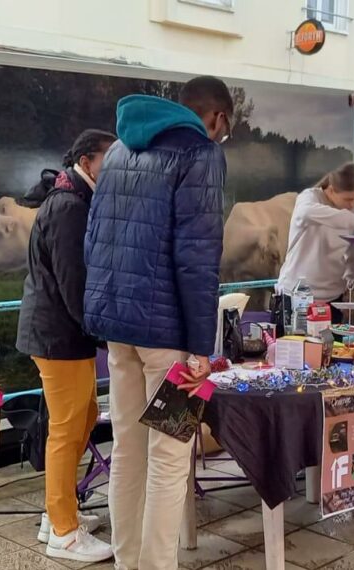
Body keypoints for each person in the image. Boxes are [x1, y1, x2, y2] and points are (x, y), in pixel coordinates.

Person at [83, 76, 232, 570]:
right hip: (168, 336)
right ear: (219, 119)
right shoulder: (201, 153)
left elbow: (94, 237)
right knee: (169, 461)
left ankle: (130, 563)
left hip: (118, 328)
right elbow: (198, 256)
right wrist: (199, 348)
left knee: (127, 449)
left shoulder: (122, 149)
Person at [16, 129, 117, 563]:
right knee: (67, 428)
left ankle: (57, 512)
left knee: (84, 417)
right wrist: (102, 334)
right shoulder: (70, 207)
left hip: (64, 333)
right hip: (58, 335)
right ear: (89, 160)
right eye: (111, 159)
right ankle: (64, 532)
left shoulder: (75, 198)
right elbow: (74, 283)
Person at [277, 163, 354, 324]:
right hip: (296, 295)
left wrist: (351, 278)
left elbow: (352, 254)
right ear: (330, 190)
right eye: (348, 199)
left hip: (332, 299)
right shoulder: (309, 198)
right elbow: (306, 212)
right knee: (294, 347)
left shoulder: (353, 215)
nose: (353, 204)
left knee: (332, 348)